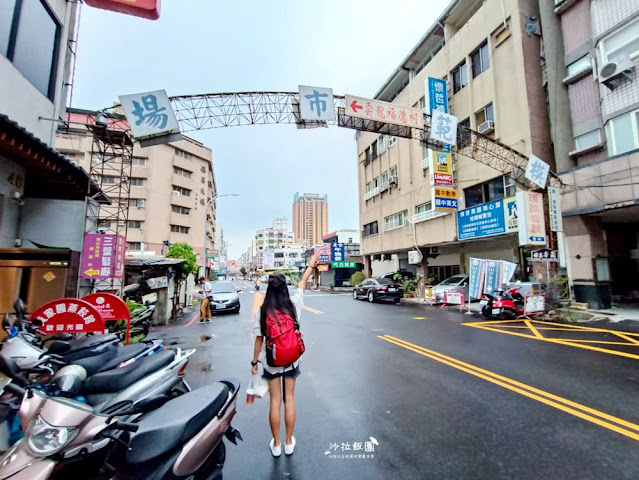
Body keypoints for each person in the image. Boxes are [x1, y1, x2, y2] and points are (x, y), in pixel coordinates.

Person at [251, 250, 321, 457]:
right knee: (289, 399)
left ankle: (277, 443)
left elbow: (258, 339)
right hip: (291, 359)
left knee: (274, 401)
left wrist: (254, 362)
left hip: (271, 361)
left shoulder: (262, 312)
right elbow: (303, 283)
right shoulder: (293, 304)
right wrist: (311, 264)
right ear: (284, 289)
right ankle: (289, 442)